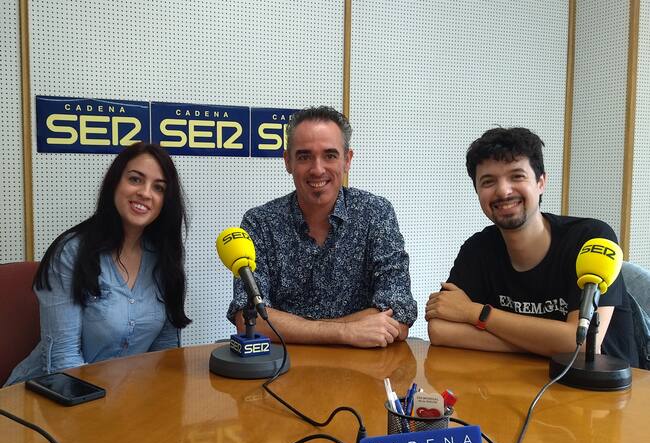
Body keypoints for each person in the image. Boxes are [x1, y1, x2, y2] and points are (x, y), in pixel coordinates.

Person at [425, 127, 638, 366]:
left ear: (541, 182)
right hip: (518, 380)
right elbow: (440, 330)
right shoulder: (478, 249)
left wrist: (476, 313)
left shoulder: (590, 239)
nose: (503, 190)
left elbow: (582, 344)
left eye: (517, 176)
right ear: (477, 191)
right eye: (488, 181)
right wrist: (546, 345)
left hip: (604, 385)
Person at [227, 106, 417, 347]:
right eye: (304, 156)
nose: (317, 169)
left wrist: (293, 326)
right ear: (288, 162)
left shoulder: (376, 213)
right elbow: (250, 318)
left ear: (347, 160)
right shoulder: (259, 223)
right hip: (285, 365)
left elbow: (399, 314)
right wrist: (346, 332)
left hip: (363, 366)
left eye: (330, 155)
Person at [5, 142, 191, 386]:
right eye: (135, 179)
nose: (146, 193)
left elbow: (164, 353)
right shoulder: (71, 252)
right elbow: (63, 361)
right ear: (115, 183)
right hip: (50, 394)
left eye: (159, 187)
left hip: (122, 398)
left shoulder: (164, 259)